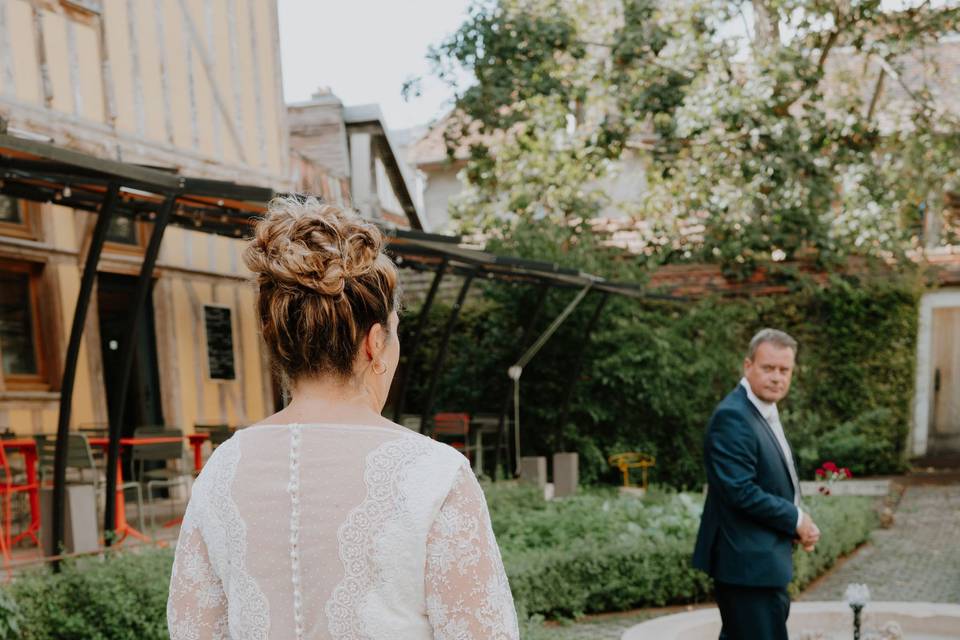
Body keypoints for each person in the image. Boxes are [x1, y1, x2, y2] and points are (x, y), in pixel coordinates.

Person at [167, 197, 520, 639]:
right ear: (375, 343)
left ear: (278, 342)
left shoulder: (222, 469)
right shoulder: (433, 474)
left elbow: (193, 629)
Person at [692, 328, 820, 640]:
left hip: (759, 563)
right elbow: (740, 491)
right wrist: (796, 519)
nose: (777, 377)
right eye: (768, 368)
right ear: (747, 366)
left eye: (784, 370)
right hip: (746, 567)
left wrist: (795, 523)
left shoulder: (760, 412)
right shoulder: (733, 417)